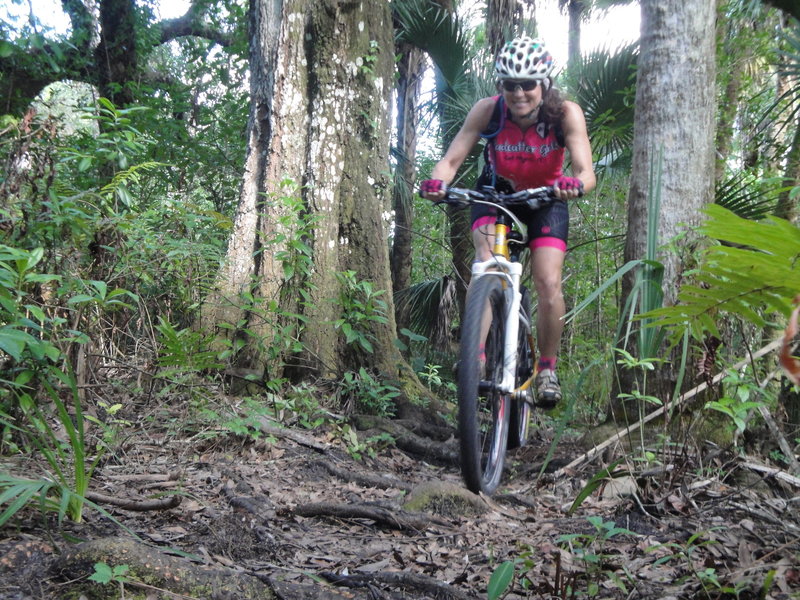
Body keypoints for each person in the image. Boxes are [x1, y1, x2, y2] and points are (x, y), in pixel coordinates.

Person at [420, 36, 596, 407]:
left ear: (543, 85)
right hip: (494, 194)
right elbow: (450, 161)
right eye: (510, 85)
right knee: (487, 264)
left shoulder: (564, 113)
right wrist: (438, 182)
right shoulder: (488, 111)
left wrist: (574, 184)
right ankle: (476, 360)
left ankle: (547, 369)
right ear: (501, 86)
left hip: (547, 199)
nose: (519, 93)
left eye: (528, 84)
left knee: (548, 280)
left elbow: (585, 172)